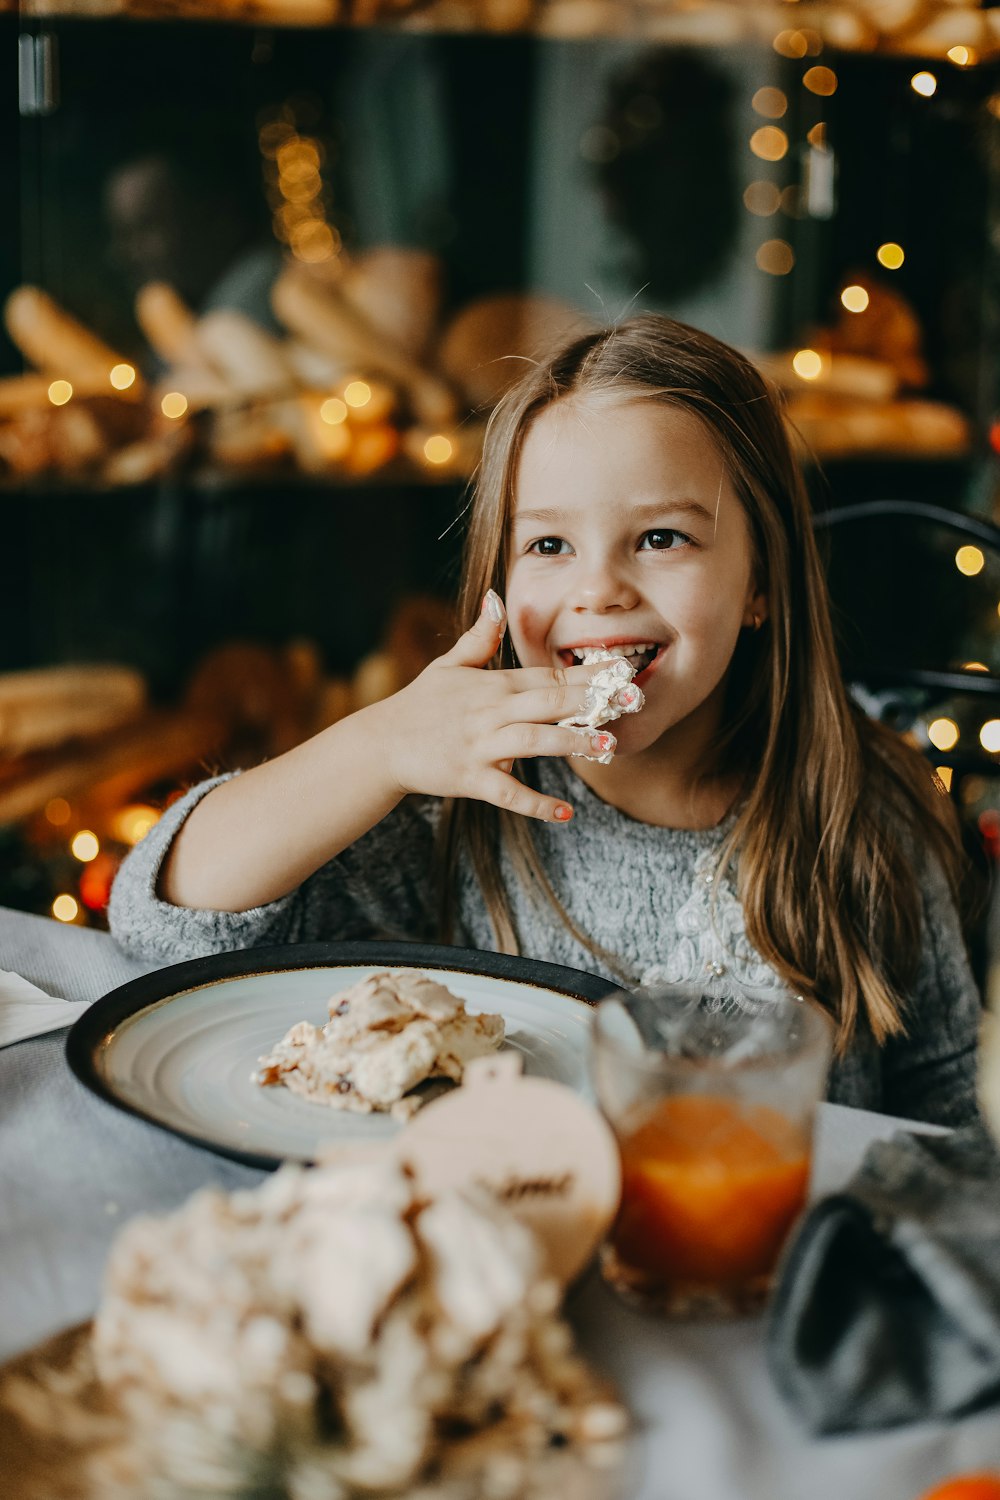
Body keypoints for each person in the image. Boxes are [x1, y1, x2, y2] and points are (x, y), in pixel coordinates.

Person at [108, 314, 981, 1127]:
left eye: (662, 538)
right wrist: (378, 745)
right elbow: (164, 927)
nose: (598, 590)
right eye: (549, 546)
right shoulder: (457, 808)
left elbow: (944, 1097)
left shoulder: (868, 811)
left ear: (759, 583)